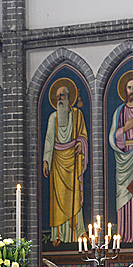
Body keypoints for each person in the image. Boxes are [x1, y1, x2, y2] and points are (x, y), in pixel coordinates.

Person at [43, 80, 88, 245]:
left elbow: (83, 135)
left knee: (75, 194)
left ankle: (78, 231)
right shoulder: (53, 117)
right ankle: (58, 235)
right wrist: (46, 160)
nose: (59, 99)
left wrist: (80, 143)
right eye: (57, 97)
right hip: (57, 162)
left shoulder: (78, 115)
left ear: (70, 97)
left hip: (73, 160)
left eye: (62, 95)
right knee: (58, 198)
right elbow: (49, 139)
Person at [108, 75, 133, 242]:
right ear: (124, 90)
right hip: (123, 158)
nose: (132, 91)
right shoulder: (119, 111)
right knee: (124, 194)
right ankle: (122, 234)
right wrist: (125, 128)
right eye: (129, 88)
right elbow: (112, 136)